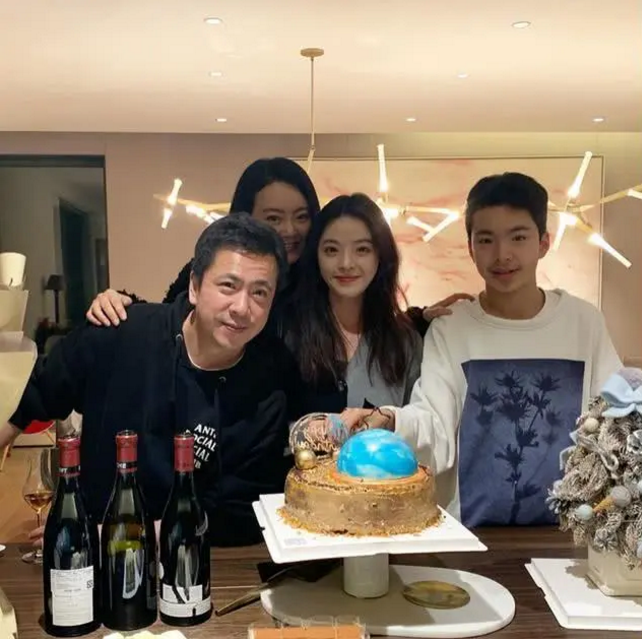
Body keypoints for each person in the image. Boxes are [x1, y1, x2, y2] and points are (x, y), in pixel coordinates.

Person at [1, 214, 306, 546]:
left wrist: (121, 536)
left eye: (260, 292)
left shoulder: (266, 387)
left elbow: (240, 512)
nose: (242, 307)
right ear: (195, 286)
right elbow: (30, 398)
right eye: (228, 286)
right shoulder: (121, 333)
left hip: (193, 555)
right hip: (98, 560)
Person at [340, 172, 622, 527]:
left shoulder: (583, 323)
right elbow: (435, 428)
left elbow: (616, 421)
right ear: (471, 248)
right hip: (469, 534)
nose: (502, 255)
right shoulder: (452, 328)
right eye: (486, 240)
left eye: (518, 237)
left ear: (543, 243)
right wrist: (388, 419)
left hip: (568, 535)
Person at [85, 156, 472, 333]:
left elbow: (363, 316)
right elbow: (171, 317)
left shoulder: (318, 273)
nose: (290, 230)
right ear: (245, 216)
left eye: (301, 216)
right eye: (273, 218)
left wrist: (420, 319)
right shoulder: (215, 269)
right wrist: (122, 303)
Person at [285, 193, 421, 413]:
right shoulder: (289, 334)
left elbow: (415, 425)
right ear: (315, 255)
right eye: (331, 250)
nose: (346, 263)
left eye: (362, 249)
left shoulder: (405, 343)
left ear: (381, 255)